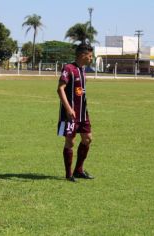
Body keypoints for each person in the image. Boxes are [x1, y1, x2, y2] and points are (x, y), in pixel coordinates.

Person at [57, 43, 95, 182]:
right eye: (90, 55)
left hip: (83, 113)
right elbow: (60, 89)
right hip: (70, 114)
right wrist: (68, 108)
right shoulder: (69, 68)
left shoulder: (82, 70)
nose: (91, 58)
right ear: (82, 55)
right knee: (70, 142)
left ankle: (79, 170)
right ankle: (69, 175)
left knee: (87, 139)